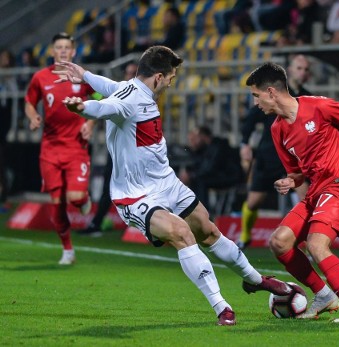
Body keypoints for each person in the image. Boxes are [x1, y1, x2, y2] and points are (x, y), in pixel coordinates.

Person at [55, 46, 293, 326]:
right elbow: (104, 107)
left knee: (208, 229)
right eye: (170, 77)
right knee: (181, 233)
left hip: (166, 181)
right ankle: (222, 307)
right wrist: (82, 108)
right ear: (157, 77)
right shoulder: (128, 101)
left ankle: (255, 279)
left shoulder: (130, 88)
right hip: (135, 195)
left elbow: (106, 86)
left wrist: (83, 74)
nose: (171, 82)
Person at [245, 62, 339, 323]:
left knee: (315, 244)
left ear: (270, 92)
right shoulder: (277, 129)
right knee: (279, 243)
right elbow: (297, 173)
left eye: (256, 95)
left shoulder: (319, 106)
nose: (256, 103)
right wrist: (290, 183)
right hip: (317, 190)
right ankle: (324, 295)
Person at [24, 33, 96, 265]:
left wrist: (90, 122)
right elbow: (29, 102)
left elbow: (100, 97)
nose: (63, 51)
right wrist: (33, 115)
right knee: (56, 202)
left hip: (76, 146)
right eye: (59, 47)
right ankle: (67, 250)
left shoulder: (81, 77)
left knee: (74, 197)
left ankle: (84, 200)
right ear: (53, 51)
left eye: (67, 47)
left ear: (73, 52)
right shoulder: (40, 78)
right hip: (50, 149)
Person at [237, 54, 312, 249]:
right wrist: (245, 144)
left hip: (293, 157)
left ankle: (307, 242)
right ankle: (245, 235)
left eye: (305, 69)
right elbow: (251, 119)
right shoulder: (273, 94)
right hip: (268, 155)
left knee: (306, 199)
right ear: (290, 70)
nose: (302, 72)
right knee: (253, 203)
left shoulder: (307, 97)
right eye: (299, 68)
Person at [79, 62, 139, 237]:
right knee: (109, 187)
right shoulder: (118, 92)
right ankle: (96, 223)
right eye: (128, 73)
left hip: (137, 152)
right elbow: (100, 99)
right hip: (116, 151)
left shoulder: (142, 96)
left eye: (133, 73)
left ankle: (150, 224)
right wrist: (89, 91)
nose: (130, 76)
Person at [179, 125, 244, 213]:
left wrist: (192, 175)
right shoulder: (203, 149)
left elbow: (210, 168)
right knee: (195, 179)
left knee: (199, 180)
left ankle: (202, 211)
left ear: (203, 137)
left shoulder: (218, 147)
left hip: (229, 177)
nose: (192, 143)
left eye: (194, 139)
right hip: (218, 176)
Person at [0, 49, 17, 210]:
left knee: (1, 161)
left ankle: (4, 196)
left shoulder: (11, 77)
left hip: (3, 122)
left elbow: (14, 97)